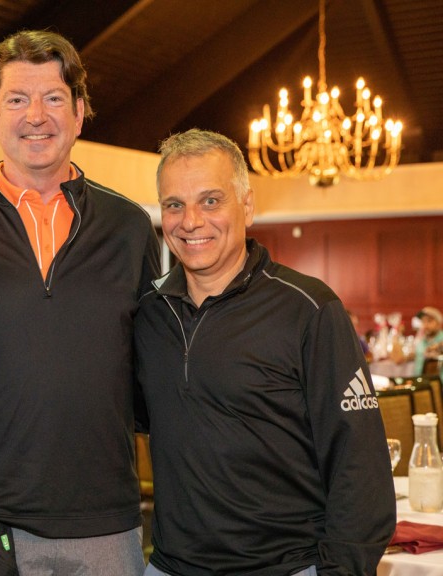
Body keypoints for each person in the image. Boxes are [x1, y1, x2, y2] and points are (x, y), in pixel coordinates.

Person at [0, 30, 160, 575]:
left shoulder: (129, 228)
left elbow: (155, 371)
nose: (36, 115)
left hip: (103, 523)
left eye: (53, 98)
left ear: (79, 112)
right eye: (17, 99)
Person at [134, 129, 396, 576]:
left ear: (247, 206)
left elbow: (361, 467)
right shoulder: (148, 317)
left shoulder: (309, 309)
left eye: (211, 201)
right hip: (170, 567)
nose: (191, 221)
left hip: (286, 567)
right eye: (174, 204)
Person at [413, 306, 443, 376]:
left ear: (439, 323)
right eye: (423, 321)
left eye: (429, 321)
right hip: (421, 382)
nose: (425, 325)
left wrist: (437, 347)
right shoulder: (420, 341)